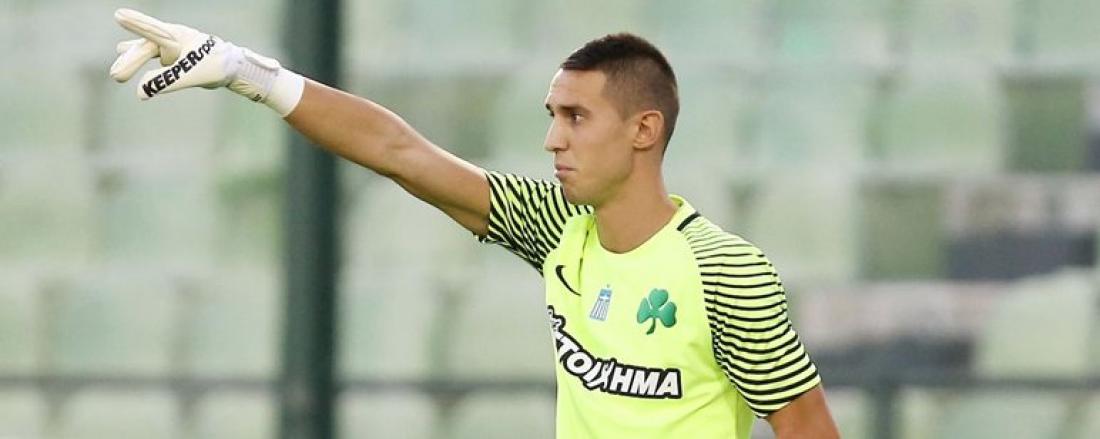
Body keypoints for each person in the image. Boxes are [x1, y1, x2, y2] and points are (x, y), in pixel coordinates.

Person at [110, 8, 840, 438]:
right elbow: (399, 152)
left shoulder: (723, 269)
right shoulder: (558, 227)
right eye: (551, 116)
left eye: (576, 117)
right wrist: (248, 73)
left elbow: (807, 428)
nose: (553, 139)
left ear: (644, 129)